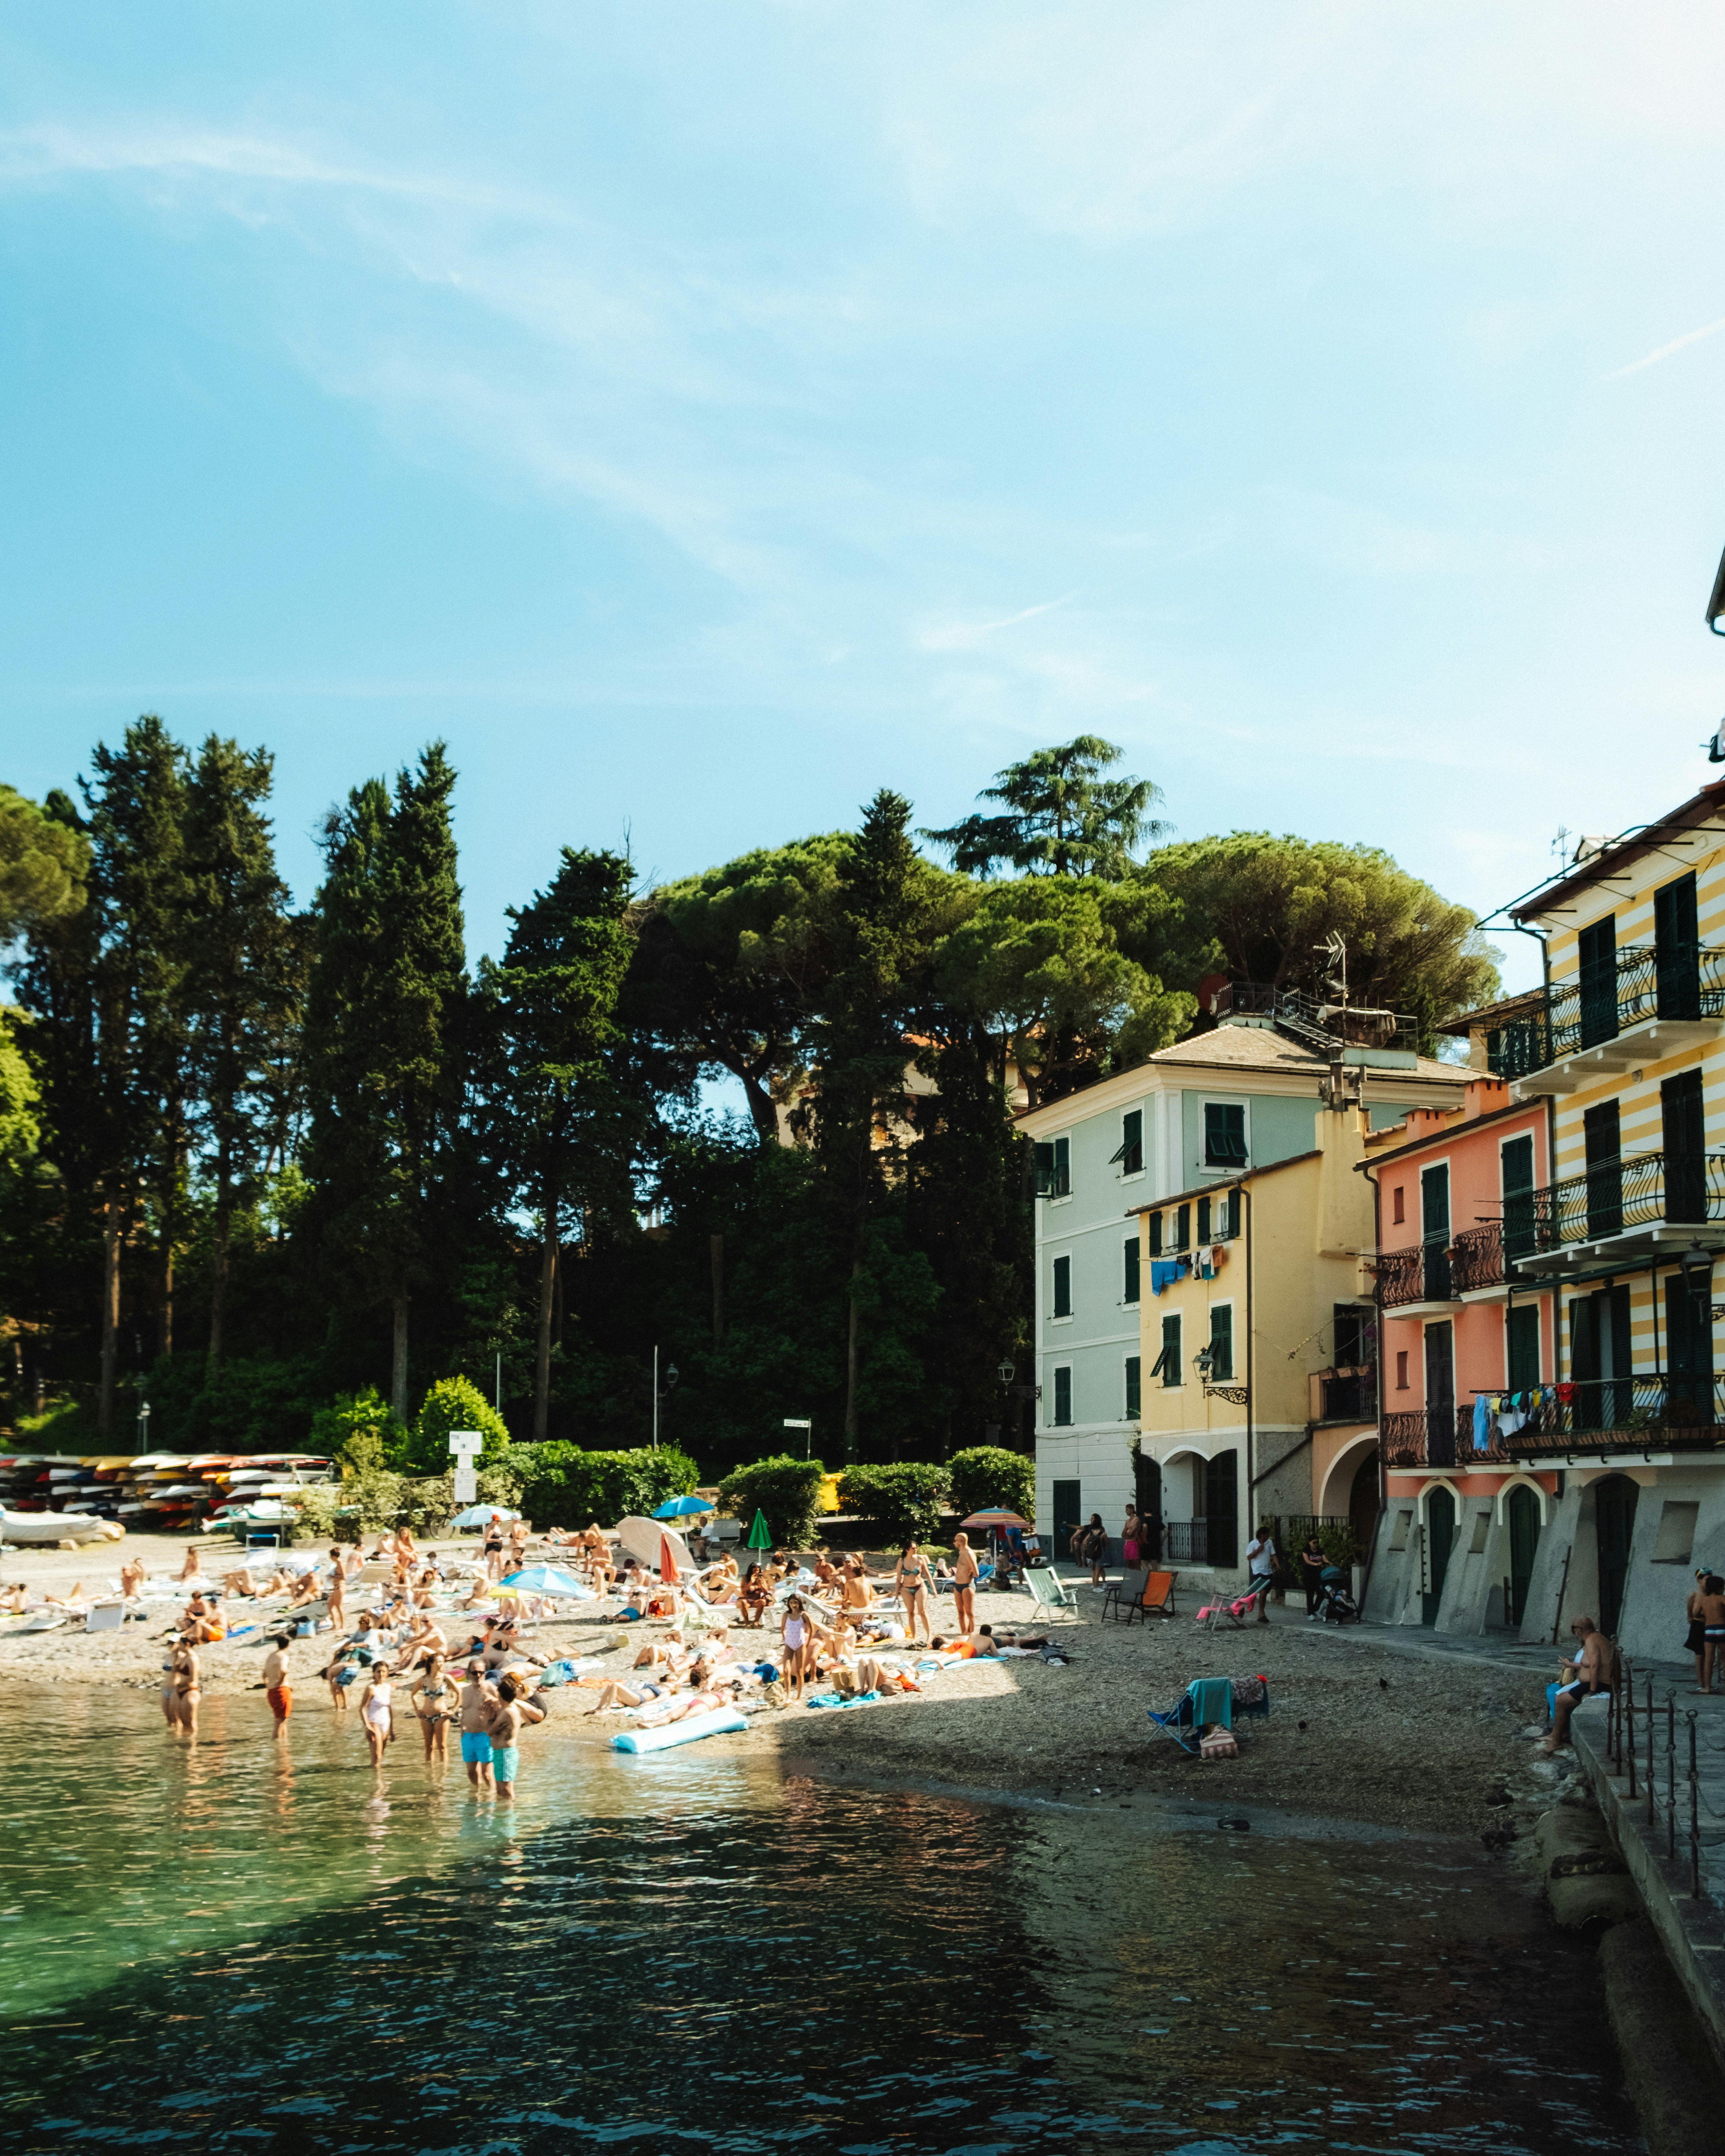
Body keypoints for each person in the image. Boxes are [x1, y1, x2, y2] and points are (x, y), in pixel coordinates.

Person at [1543, 1614, 1618, 1751]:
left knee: (1560, 1700)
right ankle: (1556, 1735)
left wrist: (1592, 1691)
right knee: (1560, 1696)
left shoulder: (1591, 1640)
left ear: (1579, 1630)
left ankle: (1556, 1741)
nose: (1574, 1633)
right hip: (1598, 1682)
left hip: (1601, 1684)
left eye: (1574, 1629)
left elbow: (1595, 1666)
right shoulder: (1596, 1638)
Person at [487, 1673, 545, 1802]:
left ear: (500, 1694)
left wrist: (489, 1716)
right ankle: (502, 1818)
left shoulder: (508, 1712)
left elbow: (490, 1732)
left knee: (507, 1790)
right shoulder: (506, 1708)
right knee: (500, 1790)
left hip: (506, 1755)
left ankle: (509, 1818)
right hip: (499, 1754)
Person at [411, 1653, 456, 1763]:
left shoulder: (446, 1678)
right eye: (439, 1662)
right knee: (429, 1747)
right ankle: (429, 1775)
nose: (441, 1664)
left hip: (441, 1716)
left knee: (442, 1747)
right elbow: (413, 1695)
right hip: (426, 1716)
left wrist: (453, 1710)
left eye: (442, 1661)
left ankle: (443, 1775)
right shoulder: (423, 1680)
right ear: (431, 1664)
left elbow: (459, 1693)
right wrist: (417, 1709)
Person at [459, 1663, 496, 1788]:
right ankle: (477, 1798)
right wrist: (462, 1734)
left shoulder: (490, 1688)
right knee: (471, 1773)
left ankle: (492, 1799)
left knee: (487, 1774)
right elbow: (464, 1713)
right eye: (475, 1673)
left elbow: (504, 1706)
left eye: (482, 1672)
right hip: (468, 1736)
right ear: (469, 1674)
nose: (478, 1676)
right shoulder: (465, 1691)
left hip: (485, 1736)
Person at [894, 1542, 936, 1647]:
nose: (916, 1550)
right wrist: (896, 1593)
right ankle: (914, 1637)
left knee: (922, 1611)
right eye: (913, 1548)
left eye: (916, 1548)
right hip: (906, 1588)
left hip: (920, 1586)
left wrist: (933, 1588)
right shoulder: (901, 1561)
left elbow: (927, 1574)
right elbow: (899, 1578)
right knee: (911, 1613)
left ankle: (929, 1635)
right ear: (907, 1550)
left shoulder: (920, 1559)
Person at [358, 1663, 395, 1768]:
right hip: (374, 1723)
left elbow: (389, 1708)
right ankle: (377, 1782)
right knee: (377, 1757)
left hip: (386, 1724)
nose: (381, 1674)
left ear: (387, 1673)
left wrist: (392, 1730)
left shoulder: (388, 1687)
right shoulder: (371, 1688)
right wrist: (367, 1726)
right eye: (378, 1671)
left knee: (380, 1756)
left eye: (384, 1671)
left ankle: (378, 1778)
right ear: (374, 1673)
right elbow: (362, 1708)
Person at [780, 1595, 815, 1701]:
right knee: (786, 1670)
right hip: (789, 1644)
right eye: (791, 1603)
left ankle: (798, 1697)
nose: (794, 1605)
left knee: (800, 1671)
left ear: (799, 1603)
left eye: (796, 1603)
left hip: (801, 1644)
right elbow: (782, 1628)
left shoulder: (803, 1615)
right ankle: (788, 1695)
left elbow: (811, 1629)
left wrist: (807, 1642)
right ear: (789, 1604)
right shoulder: (786, 1615)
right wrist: (785, 1638)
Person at [261, 1632, 294, 1741]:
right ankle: (278, 1747)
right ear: (288, 1645)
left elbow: (264, 1674)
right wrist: (280, 1681)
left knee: (281, 1720)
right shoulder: (284, 1657)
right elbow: (284, 1670)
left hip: (271, 1691)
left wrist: (267, 1683)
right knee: (280, 1722)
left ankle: (284, 1743)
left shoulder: (271, 1656)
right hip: (282, 1690)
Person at [1244, 1522, 1278, 1626]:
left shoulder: (1270, 1543)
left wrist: (1277, 1565)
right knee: (1262, 1592)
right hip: (1258, 1571)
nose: (1268, 1537)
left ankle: (1262, 1612)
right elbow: (1249, 1558)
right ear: (1262, 1535)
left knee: (1265, 1593)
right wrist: (1258, 1551)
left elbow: (1274, 1555)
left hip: (1268, 1571)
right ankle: (1261, 1613)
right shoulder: (1253, 1544)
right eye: (1267, 1535)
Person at [172, 1640, 202, 1738]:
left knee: (191, 1721)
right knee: (182, 1721)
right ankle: (184, 1744)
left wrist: (180, 1684)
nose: (178, 1646)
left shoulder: (193, 1659)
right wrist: (175, 1656)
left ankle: (193, 1746)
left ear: (187, 1644)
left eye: (180, 1644)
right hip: (180, 1691)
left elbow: (193, 1678)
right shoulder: (184, 1657)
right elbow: (175, 1671)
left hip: (190, 1691)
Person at [952, 1532, 979, 1638]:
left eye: (955, 1541)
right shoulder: (961, 1553)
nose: (954, 1543)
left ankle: (971, 1634)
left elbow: (976, 1572)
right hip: (958, 1585)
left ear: (961, 1542)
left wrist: (968, 1573)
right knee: (960, 1611)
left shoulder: (969, 1553)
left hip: (967, 1586)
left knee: (969, 1612)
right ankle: (963, 1632)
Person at [1701, 1575, 1725, 1695]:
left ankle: (1707, 1687)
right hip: (1722, 1629)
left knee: (1709, 1660)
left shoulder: (1704, 1600)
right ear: (1720, 1587)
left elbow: (1697, 1613)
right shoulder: (1722, 1598)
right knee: (1724, 1659)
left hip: (1709, 1630)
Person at [1686, 1568, 1709, 1688]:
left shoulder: (1712, 1596)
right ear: (1699, 1580)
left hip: (1709, 1626)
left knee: (1708, 1655)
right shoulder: (1694, 1596)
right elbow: (1690, 1615)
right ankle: (1701, 1682)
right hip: (1698, 1626)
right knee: (1700, 1654)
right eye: (1706, 1580)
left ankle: (1707, 1682)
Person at [1301, 1536, 1327, 1620]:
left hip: (1318, 1575)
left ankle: (1315, 1609)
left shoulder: (1320, 1551)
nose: (1316, 1545)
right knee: (1310, 1594)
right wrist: (1316, 1564)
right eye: (1314, 1543)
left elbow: (1324, 1559)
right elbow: (1307, 1561)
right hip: (1309, 1574)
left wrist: (1329, 1563)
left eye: (1317, 1543)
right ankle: (1310, 1614)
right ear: (1310, 1543)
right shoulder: (1306, 1550)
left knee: (1321, 1592)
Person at [1084, 1515, 1109, 1589]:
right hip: (1100, 1553)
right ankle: (1097, 1586)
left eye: (1092, 1519)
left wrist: (1088, 1550)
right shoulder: (1102, 1533)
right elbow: (1108, 1542)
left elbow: (1085, 1542)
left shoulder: (1091, 1532)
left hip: (1091, 1554)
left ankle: (1095, 1585)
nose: (1091, 1520)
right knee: (1099, 1570)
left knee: (1094, 1571)